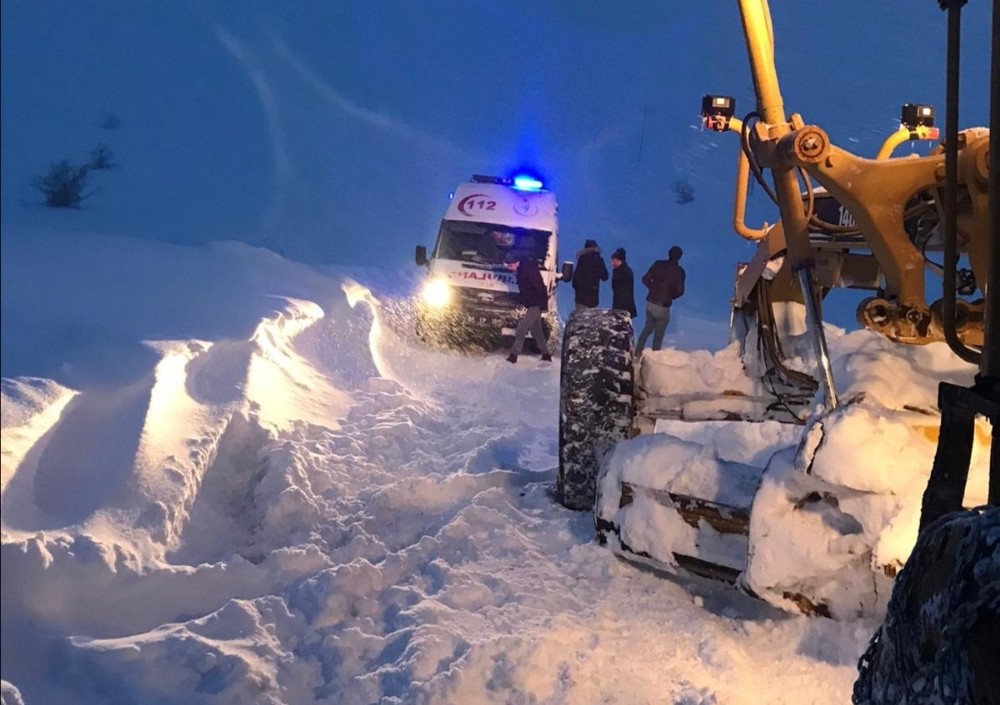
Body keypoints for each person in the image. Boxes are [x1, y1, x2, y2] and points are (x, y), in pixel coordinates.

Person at [635, 245, 685, 353]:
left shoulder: (658, 264)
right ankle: (654, 357)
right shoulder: (679, 271)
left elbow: (645, 279)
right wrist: (670, 295)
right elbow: (680, 291)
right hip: (663, 305)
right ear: (679, 257)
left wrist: (653, 288)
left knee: (647, 328)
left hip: (650, 301)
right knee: (659, 334)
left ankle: (637, 352)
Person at [504, 252, 552, 364]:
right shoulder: (522, 269)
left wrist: (543, 306)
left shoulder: (529, 269)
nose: (510, 268)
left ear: (517, 262)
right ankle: (545, 354)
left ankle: (513, 355)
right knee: (536, 331)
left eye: (510, 265)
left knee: (521, 329)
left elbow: (540, 286)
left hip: (536, 304)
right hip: (532, 303)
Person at [571, 239, 609, 309]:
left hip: (580, 298)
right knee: (591, 318)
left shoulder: (582, 259)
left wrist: (577, 288)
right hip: (593, 298)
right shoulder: (599, 260)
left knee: (580, 318)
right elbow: (605, 277)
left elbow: (575, 278)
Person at [610, 247, 637, 318]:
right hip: (623, 306)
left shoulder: (622, 272)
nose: (612, 263)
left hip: (623, 307)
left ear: (619, 260)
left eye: (613, 261)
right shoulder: (624, 271)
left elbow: (623, 291)